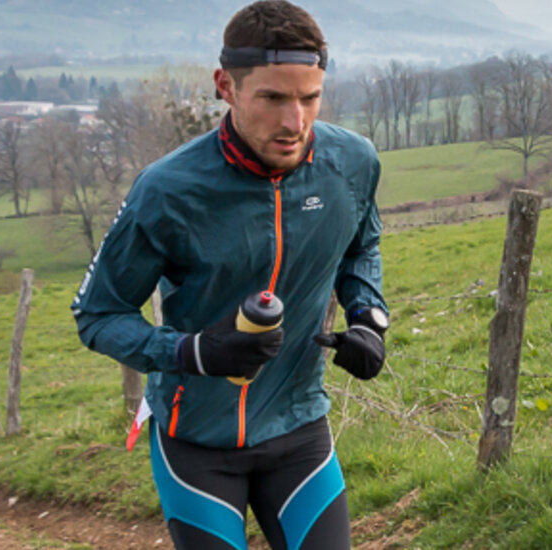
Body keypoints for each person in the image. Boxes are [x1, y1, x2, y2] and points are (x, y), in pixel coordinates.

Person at [72, 2, 389, 548]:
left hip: (299, 429)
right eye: (272, 98)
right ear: (226, 86)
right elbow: (97, 315)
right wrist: (190, 352)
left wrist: (368, 316)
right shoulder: (168, 190)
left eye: (310, 97)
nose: (295, 123)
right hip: (196, 440)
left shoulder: (353, 162)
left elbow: (362, 245)